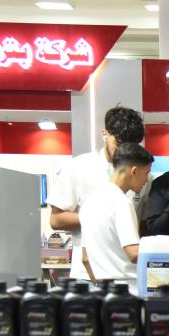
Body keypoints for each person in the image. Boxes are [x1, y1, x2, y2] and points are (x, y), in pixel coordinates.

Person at [48, 106, 145, 282]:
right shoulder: (79, 167)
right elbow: (56, 219)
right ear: (104, 134)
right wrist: (101, 218)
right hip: (87, 274)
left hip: (129, 273)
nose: (124, 153)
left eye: (130, 146)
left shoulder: (143, 174)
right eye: (119, 145)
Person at [78, 143, 153, 293]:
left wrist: (101, 287)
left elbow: (85, 258)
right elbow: (134, 253)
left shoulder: (89, 202)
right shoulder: (121, 202)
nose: (146, 180)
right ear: (134, 171)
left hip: (103, 291)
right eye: (147, 173)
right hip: (129, 291)